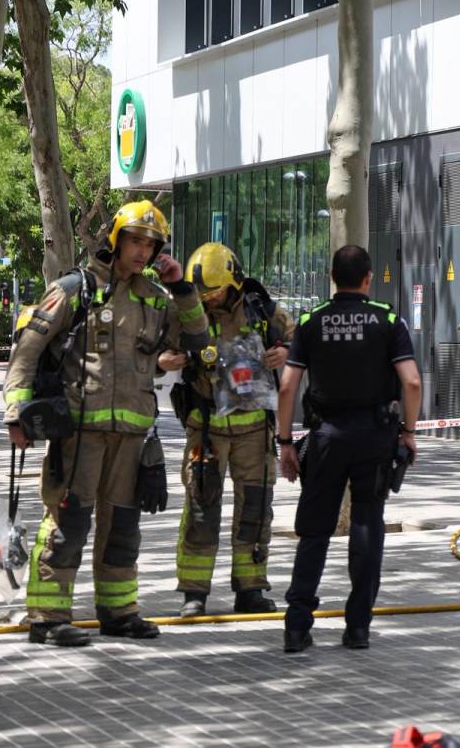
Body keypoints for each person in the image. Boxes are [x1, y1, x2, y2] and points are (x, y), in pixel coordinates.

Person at [3, 201, 209, 646]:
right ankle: (46, 616)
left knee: (123, 527)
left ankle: (119, 611)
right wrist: (17, 410)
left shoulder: (155, 298)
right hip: (78, 434)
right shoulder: (75, 288)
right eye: (135, 240)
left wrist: (181, 288)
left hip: (132, 437)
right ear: (115, 239)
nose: (142, 251)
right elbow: (29, 348)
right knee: (68, 522)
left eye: (151, 245)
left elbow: (197, 339)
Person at [276, 245, 421, 653]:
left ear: (331, 277)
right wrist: (408, 433)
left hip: (324, 439)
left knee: (314, 533)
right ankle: (358, 627)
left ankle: (296, 626)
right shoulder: (388, 320)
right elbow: (410, 382)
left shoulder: (310, 321)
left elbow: (287, 386)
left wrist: (285, 443)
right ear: (368, 278)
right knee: (366, 527)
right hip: (375, 438)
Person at [172, 243, 295, 617]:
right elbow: (157, 352)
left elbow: (300, 341)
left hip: (254, 430)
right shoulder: (187, 312)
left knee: (255, 510)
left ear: (234, 282)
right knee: (201, 507)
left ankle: (251, 588)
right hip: (205, 426)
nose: (207, 301)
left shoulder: (261, 309)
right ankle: (194, 593)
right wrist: (166, 360)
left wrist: (285, 352)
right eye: (202, 295)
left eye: (214, 293)